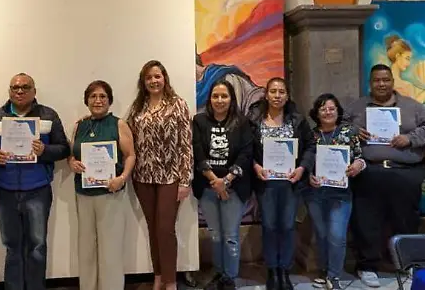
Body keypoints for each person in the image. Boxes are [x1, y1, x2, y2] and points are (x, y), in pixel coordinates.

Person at [346, 64, 425, 288]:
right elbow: (340, 126)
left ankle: (406, 264)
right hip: (369, 172)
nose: (381, 84)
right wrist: (355, 132)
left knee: (405, 220)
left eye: (385, 79)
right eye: (377, 80)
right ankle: (367, 266)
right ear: (370, 82)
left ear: (392, 81)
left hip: (405, 173)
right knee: (367, 222)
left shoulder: (412, 106)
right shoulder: (358, 106)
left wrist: (410, 139)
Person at [0, 73, 69, 290]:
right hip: (5, 191)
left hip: (37, 190)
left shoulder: (48, 115)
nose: (20, 91)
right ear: (9, 91)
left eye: (25, 87)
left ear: (34, 91)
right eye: (15, 87)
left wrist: (45, 150)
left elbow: (64, 148)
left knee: (37, 247)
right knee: (12, 247)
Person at [126, 60, 192, 290]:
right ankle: (157, 276)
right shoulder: (137, 109)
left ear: (165, 78)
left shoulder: (178, 105)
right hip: (143, 177)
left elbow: (186, 145)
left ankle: (171, 281)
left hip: (170, 178)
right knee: (153, 229)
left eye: (157, 76)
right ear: (143, 83)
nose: (154, 81)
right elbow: (126, 138)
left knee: (166, 230)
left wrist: (185, 180)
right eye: (149, 78)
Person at [67, 80, 136, 290]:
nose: (98, 100)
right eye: (93, 96)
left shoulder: (119, 124)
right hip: (84, 193)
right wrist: (72, 163)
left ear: (109, 100)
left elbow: (131, 155)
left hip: (110, 193)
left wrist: (122, 178)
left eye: (102, 96)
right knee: (86, 248)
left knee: (110, 250)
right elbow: (72, 155)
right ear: (87, 100)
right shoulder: (79, 125)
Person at [249, 77, 315, 290]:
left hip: (290, 183)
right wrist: (255, 166)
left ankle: (284, 270)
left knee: (287, 227)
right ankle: (272, 269)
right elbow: (244, 148)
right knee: (269, 226)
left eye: (282, 92)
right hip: (266, 183)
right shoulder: (254, 119)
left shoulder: (297, 119)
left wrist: (302, 168)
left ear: (287, 96)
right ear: (266, 94)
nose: (277, 96)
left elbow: (311, 146)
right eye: (273, 91)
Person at [192, 80, 254, 290]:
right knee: (216, 234)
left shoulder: (242, 122)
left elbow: (246, 154)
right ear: (210, 99)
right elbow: (197, 153)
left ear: (231, 99)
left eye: (224, 96)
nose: (220, 100)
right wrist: (215, 182)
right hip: (208, 187)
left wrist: (226, 181)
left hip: (233, 188)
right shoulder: (199, 121)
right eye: (216, 96)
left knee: (230, 236)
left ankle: (230, 277)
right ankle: (218, 272)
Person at [304, 94, 365, 290]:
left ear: (338, 111)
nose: (328, 112)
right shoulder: (311, 135)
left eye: (332, 108)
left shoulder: (349, 132)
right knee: (321, 234)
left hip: (341, 193)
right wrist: (308, 176)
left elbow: (360, 157)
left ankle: (334, 276)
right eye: (323, 109)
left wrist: (357, 165)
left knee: (337, 235)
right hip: (315, 193)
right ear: (316, 113)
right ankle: (324, 270)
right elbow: (303, 162)